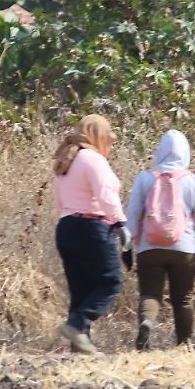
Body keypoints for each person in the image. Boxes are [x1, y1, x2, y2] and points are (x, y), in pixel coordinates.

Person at [123, 130, 195, 350]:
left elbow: (132, 216)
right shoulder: (194, 181)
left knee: (150, 294)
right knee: (183, 299)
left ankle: (147, 325)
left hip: (149, 247)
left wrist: (127, 247)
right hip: (184, 248)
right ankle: (184, 345)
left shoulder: (145, 178)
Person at [52, 114, 129, 355]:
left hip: (65, 227)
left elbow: (60, 201)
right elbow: (106, 194)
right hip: (93, 227)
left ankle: (79, 344)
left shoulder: (67, 158)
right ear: (98, 135)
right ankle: (76, 325)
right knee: (111, 281)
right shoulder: (93, 159)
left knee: (81, 288)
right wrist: (120, 223)